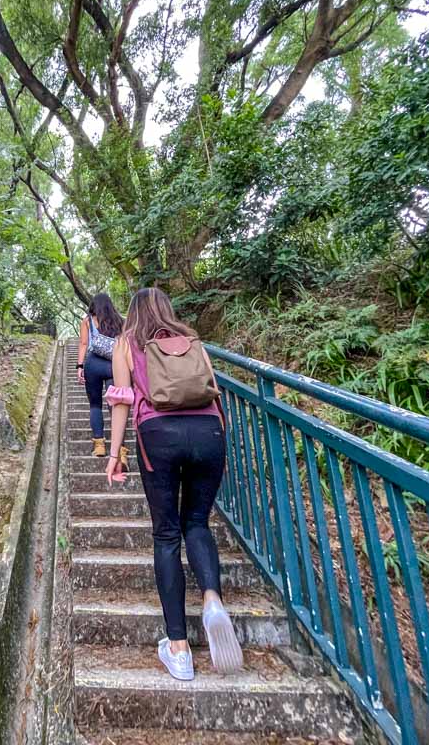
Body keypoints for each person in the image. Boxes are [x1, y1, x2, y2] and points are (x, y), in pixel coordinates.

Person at [104, 287, 242, 680]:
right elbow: (214, 390)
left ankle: (179, 650)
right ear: (167, 309)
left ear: (133, 312)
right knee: (196, 522)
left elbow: (122, 401)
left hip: (157, 434)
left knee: (166, 536)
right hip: (208, 433)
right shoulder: (192, 338)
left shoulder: (127, 343)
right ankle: (212, 599)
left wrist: (115, 455)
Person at [76, 293, 124, 457]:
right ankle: (121, 452)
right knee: (116, 406)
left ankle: (99, 446)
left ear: (93, 306)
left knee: (95, 405)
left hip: (93, 364)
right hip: (114, 365)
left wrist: (80, 366)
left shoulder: (87, 321)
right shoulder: (119, 320)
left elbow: (83, 344)